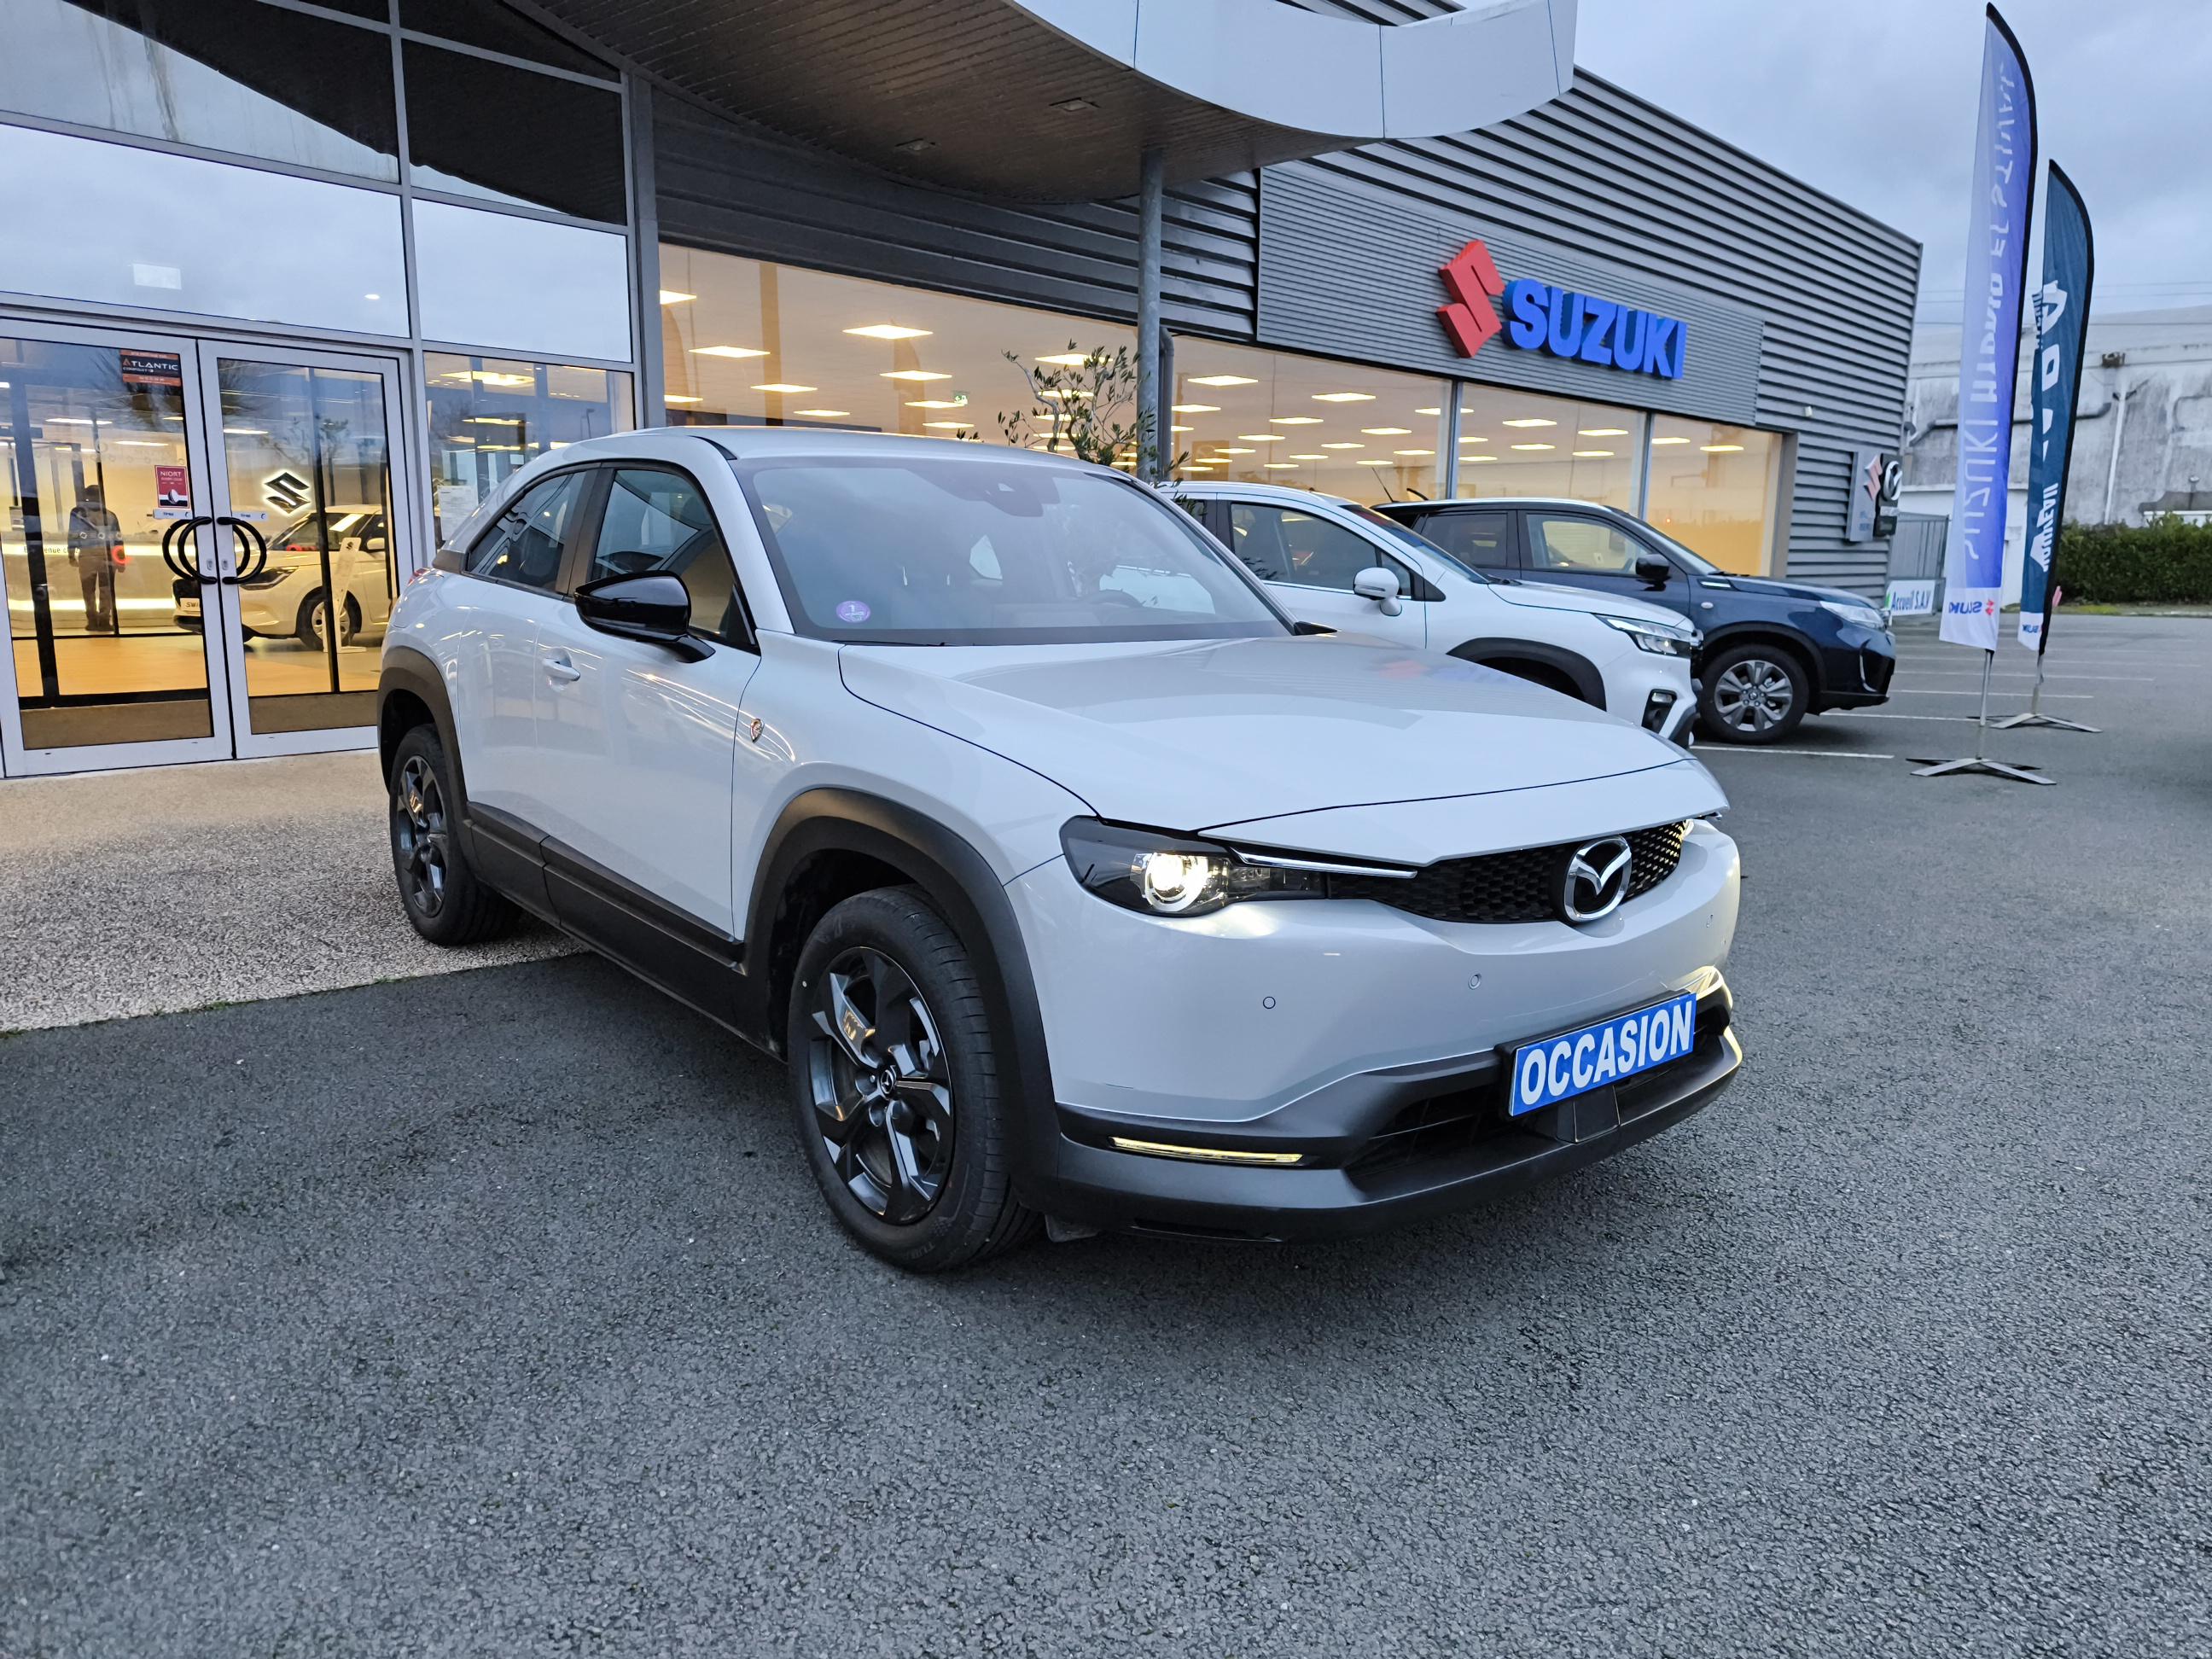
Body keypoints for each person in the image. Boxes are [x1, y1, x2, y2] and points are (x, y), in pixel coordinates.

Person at [67, 484, 124, 635]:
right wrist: (121, 560)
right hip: (107, 556)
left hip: (86, 555)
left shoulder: (78, 513)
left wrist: (71, 554)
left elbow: (73, 535)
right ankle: (105, 620)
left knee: (88, 590)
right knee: (106, 589)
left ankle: (92, 620)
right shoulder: (110, 515)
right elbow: (118, 539)